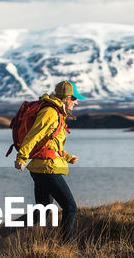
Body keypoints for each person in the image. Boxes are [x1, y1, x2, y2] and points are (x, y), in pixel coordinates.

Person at [13, 80, 84, 241]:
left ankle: (0, 234)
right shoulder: (50, 113)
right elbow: (34, 135)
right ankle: (66, 248)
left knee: (42, 211)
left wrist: (67, 157)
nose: (76, 102)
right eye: (74, 98)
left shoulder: (57, 113)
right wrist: (21, 157)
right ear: (66, 98)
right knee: (70, 207)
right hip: (46, 169)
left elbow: (51, 144)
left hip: (42, 168)